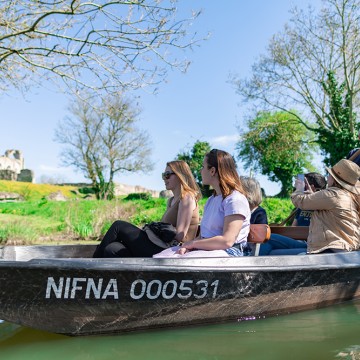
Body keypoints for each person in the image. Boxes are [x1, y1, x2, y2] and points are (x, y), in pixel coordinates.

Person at [154, 149, 251, 258]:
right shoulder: (211, 200)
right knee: (161, 257)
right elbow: (202, 236)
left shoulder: (235, 200)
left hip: (230, 252)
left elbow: (227, 241)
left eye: (203, 167)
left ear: (212, 171)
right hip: (207, 250)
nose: (200, 171)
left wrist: (193, 244)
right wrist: (187, 246)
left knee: (179, 261)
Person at [93, 160, 201, 258]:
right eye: (163, 175)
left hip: (170, 249)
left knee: (118, 226)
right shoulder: (171, 200)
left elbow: (180, 235)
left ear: (179, 175)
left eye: (167, 175)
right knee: (113, 248)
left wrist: (157, 231)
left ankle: (90, 266)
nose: (164, 179)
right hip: (158, 244)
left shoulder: (187, 198)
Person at [272, 159, 360, 255]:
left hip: (329, 250)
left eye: (330, 174)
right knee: (272, 241)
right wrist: (313, 195)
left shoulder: (333, 195)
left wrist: (299, 189)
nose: (328, 177)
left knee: (272, 250)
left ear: (334, 179)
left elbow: (299, 201)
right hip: (339, 248)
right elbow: (331, 207)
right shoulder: (349, 196)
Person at [259, 172, 326, 256]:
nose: (299, 187)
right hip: (299, 241)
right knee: (270, 247)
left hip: (312, 245)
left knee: (270, 239)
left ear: (311, 187)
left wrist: (307, 195)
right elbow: (293, 228)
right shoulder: (302, 206)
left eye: (302, 184)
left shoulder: (323, 206)